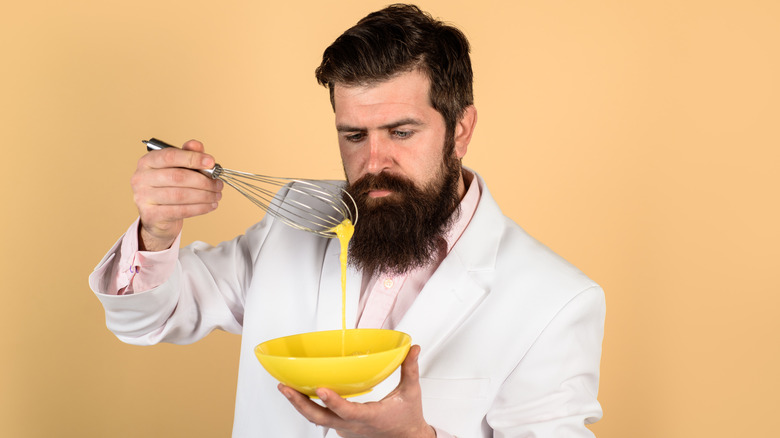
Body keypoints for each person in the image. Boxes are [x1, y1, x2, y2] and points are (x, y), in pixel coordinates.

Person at [89, 4, 605, 437]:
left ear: (461, 128)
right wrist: (158, 230)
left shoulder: (554, 301)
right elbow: (149, 319)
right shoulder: (295, 219)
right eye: (354, 135)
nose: (374, 161)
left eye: (402, 132)